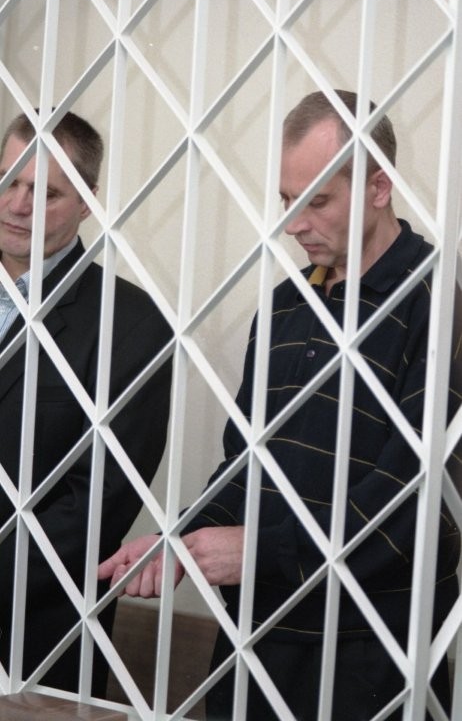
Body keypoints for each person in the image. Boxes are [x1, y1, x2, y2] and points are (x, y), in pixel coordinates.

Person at [98, 91, 461, 720]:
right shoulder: (285, 307)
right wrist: (182, 538)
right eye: (288, 201)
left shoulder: (437, 304)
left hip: (373, 653)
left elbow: (414, 506)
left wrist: (260, 550)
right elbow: (245, 468)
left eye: (317, 201)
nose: (294, 225)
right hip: (255, 638)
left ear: (379, 187)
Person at [0, 110, 172, 694]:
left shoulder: (132, 324)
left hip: (37, 640)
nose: (18, 205)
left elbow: (98, 499)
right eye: (10, 182)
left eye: (45, 192)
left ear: (86, 203)